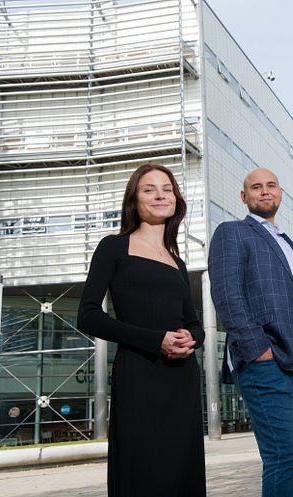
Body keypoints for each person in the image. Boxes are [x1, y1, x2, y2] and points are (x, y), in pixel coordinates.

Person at [77, 163, 206, 497]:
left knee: (183, 474)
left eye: (167, 188)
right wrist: (155, 340)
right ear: (134, 200)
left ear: (176, 199)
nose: (161, 195)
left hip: (182, 378)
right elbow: (88, 315)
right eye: (149, 189)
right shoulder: (113, 247)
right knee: (145, 472)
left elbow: (192, 321)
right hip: (139, 376)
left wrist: (193, 338)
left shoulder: (178, 262)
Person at [208, 167, 293, 497]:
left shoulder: (289, 244)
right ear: (243, 196)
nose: (265, 191)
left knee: (289, 457)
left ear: (280, 193)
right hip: (266, 362)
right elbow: (226, 293)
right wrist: (258, 349)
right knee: (283, 457)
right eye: (256, 187)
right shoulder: (232, 232)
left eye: (271, 186)